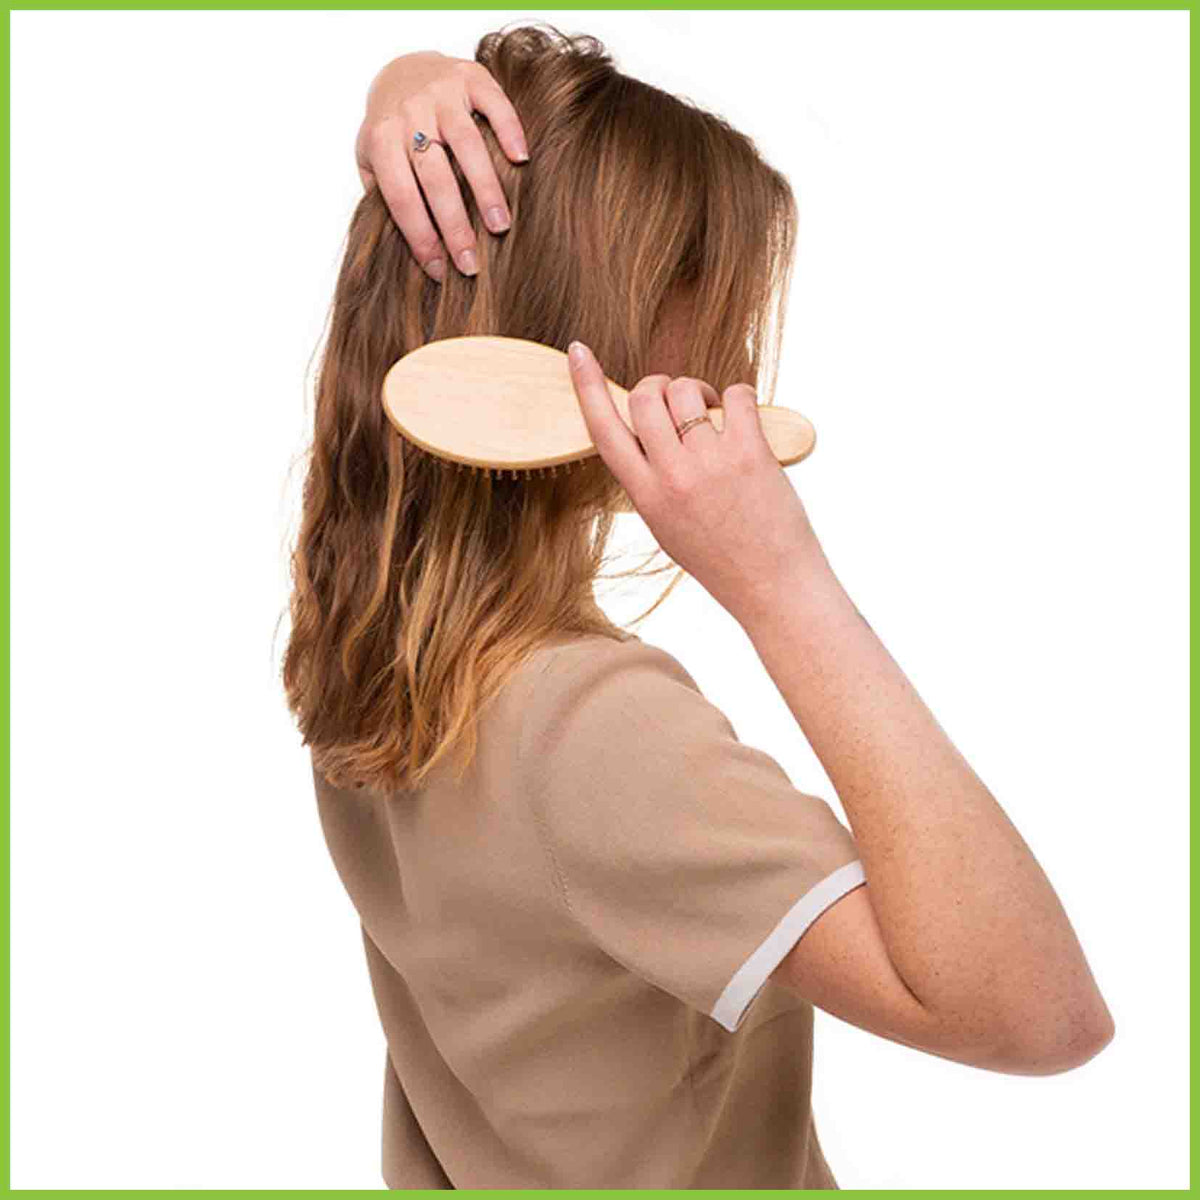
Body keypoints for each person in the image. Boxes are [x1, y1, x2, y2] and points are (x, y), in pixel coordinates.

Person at [285, 23, 1115, 1190]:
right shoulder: (592, 727)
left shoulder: (370, 653)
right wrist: (784, 587)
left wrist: (400, 84)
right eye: (717, 312)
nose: (736, 370)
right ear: (593, 336)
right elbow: (1039, 1015)